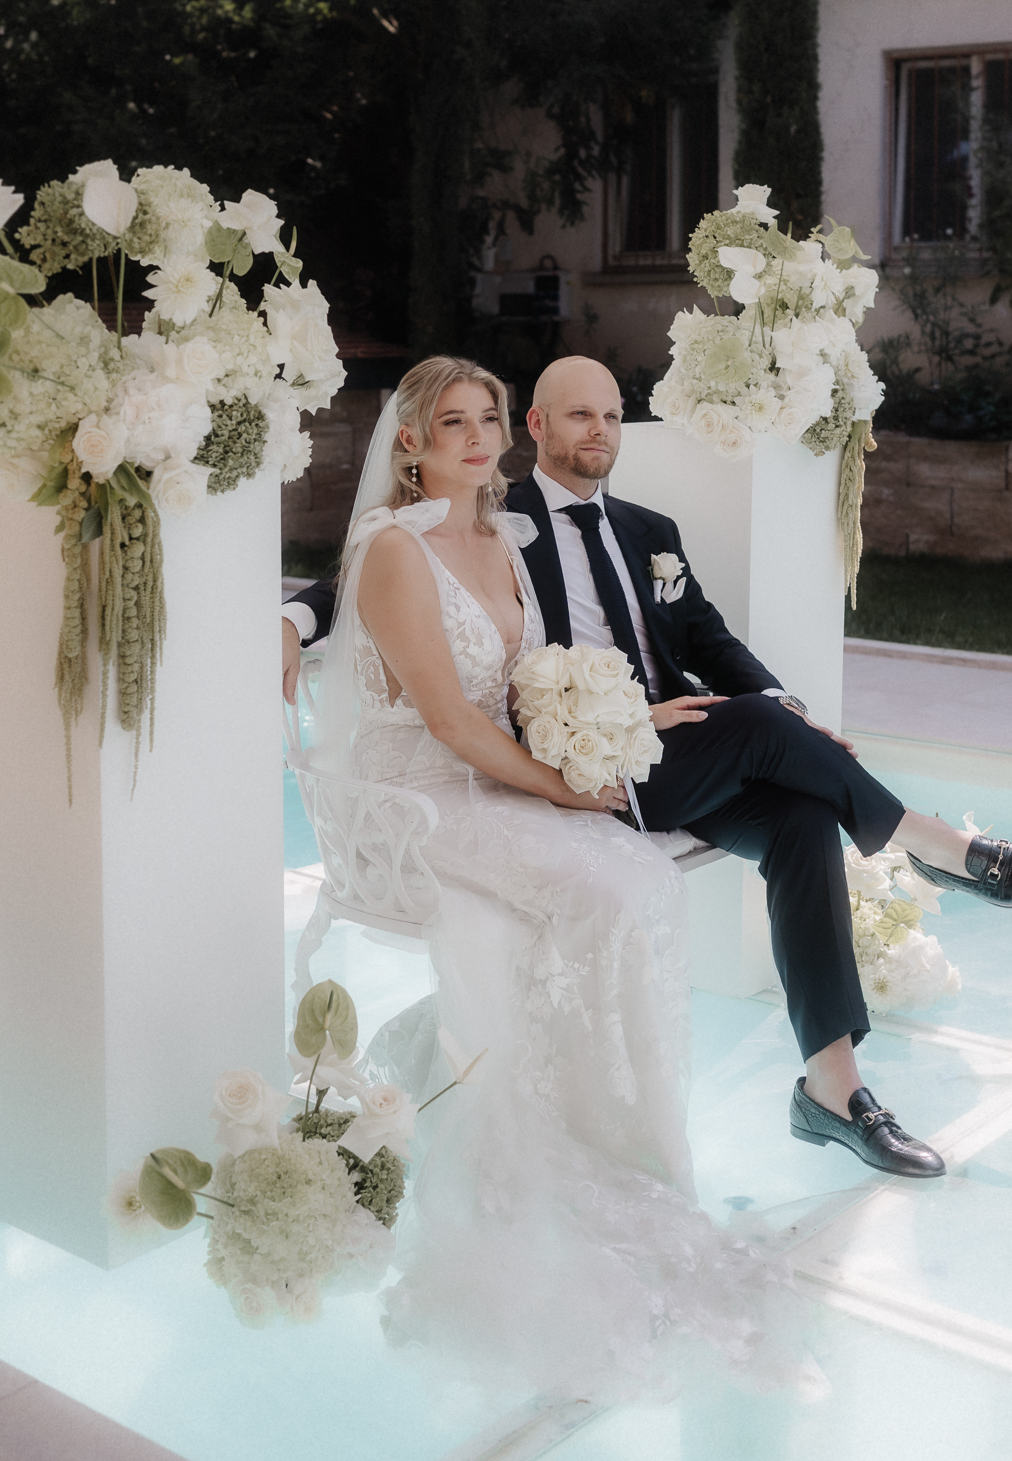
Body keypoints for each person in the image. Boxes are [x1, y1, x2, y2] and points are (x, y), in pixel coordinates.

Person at [285, 356, 1012, 1187]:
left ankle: (833, 1089)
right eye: (578, 415)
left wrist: (787, 713)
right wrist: (291, 618)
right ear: (539, 427)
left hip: (677, 751)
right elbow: (372, 576)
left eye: (611, 415)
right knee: (762, 731)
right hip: (579, 764)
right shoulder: (497, 513)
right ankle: (932, 844)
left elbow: (708, 640)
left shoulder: (647, 530)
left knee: (802, 816)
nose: (599, 430)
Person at [309, 354, 820, 1401]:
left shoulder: (503, 536)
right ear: (410, 443)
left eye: (487, 418)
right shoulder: (394, 550)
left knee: (642, 879)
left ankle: (627, 1136)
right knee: (609, 884)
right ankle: (564, 1140)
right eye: (453, 423)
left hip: (500, 774)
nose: (476, 438)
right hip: (426, 793)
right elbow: (449, 721)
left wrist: (625, 722)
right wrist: (564, 788)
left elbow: (527, 689)